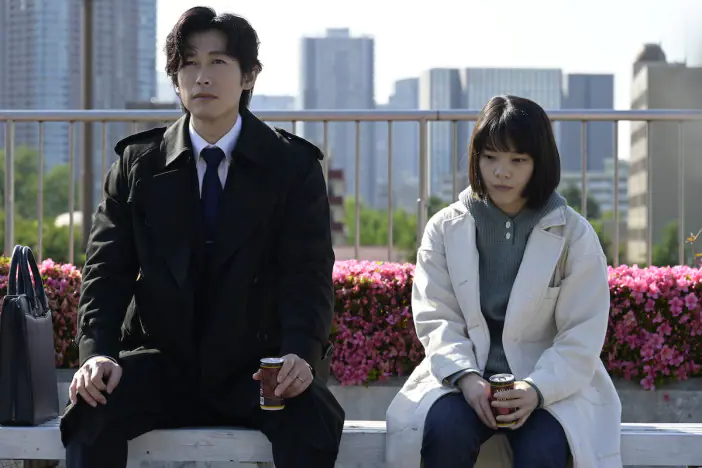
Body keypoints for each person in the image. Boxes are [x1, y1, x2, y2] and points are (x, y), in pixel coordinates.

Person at [59, 6, 344, 468]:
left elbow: (307, 273)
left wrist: (299, 353)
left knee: (311, 417)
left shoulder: (291, 167)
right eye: (189, 63)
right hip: (163, 362)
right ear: (176, 79)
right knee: (92, 407)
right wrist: (99, 354)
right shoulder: (139, 165)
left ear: (249, 75)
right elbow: (105, 271)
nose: (202, 76)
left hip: (257, 367)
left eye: (218, 62)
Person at [385, 95, 622, 468]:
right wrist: (466, 377)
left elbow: (582, 332)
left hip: (547, 386)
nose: (501, 172)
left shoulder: (574, 234)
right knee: (445, 433)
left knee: (542, 452)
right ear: (476, 158)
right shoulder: (445, 227)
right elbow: (437, 315)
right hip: (464, 380)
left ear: (540, 162)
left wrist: (536, 389)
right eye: (490, 157)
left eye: (518, 160)